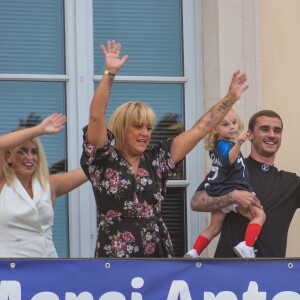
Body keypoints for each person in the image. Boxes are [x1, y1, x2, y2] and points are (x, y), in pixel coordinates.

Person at [80, 39, 249, 258]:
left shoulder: (157, 159)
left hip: (157, 251)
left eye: (149, 127)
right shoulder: (103, 158)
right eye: (138, 126)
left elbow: (199, 129)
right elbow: (96, 116)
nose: (145, 133)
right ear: (121, 128)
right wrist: (109, 74)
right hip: (114, 253)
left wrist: (230, 99)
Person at [191, 110, 300, 257]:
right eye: (264, 129)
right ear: (250, 134)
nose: (272, 135)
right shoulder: (231, 169)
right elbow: (196, 202)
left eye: (277, 130)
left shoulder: (291, 183)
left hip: (272, 273)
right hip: (228, 269)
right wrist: (231, 197)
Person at [0, 113, 88, 258]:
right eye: (22, 151)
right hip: (10, 269)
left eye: (34, 152)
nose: (30, 157)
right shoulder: (3, 182)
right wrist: (39, 129)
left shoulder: (48, 184)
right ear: (8, 157)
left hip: (46, 266)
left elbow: (90, 170)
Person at [185, 108, 266, 259]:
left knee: (214, 227)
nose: (232, 127)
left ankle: (194, 251)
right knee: (259, 215)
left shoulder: (223, 144)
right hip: (235, 188)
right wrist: (239, 144)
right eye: (225, 125)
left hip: (220, 191)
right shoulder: (223, 145)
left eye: (234, 123)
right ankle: (247, 246)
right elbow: (229, 160)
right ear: (215, 130)